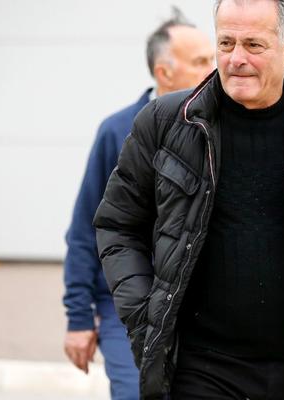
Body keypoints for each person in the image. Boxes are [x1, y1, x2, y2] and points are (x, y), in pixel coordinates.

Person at [93, 0, 284, 399]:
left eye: (253, 45)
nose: (236, 59)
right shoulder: (164, 124)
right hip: (199, 373)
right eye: (226, 43)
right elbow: (118, 224)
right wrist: (144, 321)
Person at [62, 9, 214, 400]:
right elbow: (85, 230)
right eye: (201, 62)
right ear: (164, 73)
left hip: (202, 308)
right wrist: (78, 318)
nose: (214, 70)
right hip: (127, 307)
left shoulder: (220, 130)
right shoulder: (117, 132)